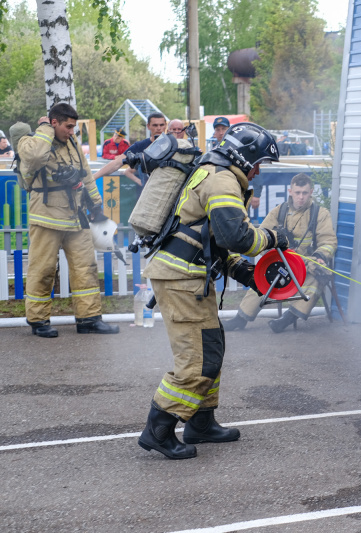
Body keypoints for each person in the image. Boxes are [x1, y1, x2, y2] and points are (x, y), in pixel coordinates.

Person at [137, 122, 288, 460]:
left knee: (211, 347)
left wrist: (243, 271)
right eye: (259, 162)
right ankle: (158, 428)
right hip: (182, 280)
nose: (260, 170)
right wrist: (274, 238)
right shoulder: (222, 179)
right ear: (245, 157)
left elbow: (212, 237)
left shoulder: (216, 172)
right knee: (198, 359)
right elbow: (239, 238)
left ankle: (201, 423)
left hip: (188, 275)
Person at [16, 103, 119, 338]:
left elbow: (85, 173)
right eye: (67, 126)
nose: (71, 131)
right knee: (42, 270)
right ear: (54, 123)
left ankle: (89, 319)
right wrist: (44, 129)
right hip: (46, 217)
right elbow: (34, 157)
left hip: (75, 217)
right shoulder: (33, 141)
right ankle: (38, 320)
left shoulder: (72, 142)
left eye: (73, 126)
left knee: (86, 269)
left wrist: (96, 205)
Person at [224, 173, 337, 333]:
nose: (301, 197)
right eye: (297, 193)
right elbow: (262, 235)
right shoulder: (280, 211)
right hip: (283, 262)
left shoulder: (320, 214)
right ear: (290, 191)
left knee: (318, 276)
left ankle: (288, 318)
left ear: (311, 192)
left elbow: (328, 241)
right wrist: (274, 252)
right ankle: (240, 319)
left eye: (305, 193)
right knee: (262, 278)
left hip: (308, 265)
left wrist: (320, 256)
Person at [92, 113, 167, 195]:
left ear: (165, 125)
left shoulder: (174, 144)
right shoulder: (139, 146)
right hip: (148, 194)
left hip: (168, 192)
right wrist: (92, 178)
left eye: (161, 125)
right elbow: (116, 164)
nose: (159, 128)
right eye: (155, 125)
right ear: (148, 126)